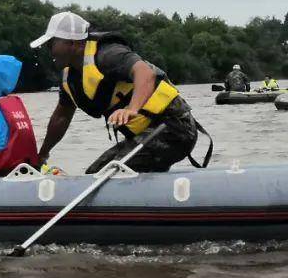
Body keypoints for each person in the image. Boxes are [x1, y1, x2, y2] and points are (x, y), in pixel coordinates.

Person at [31, 11, 211, 173]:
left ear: (73, 43)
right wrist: (42, 154)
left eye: (52, 44)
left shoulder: (108, 54)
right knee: (94, 173)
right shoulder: (69, 78)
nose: (49, 50)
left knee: (106, 175)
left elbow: (145, 73)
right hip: (145, 135)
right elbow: (61, 117)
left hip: (173, 129)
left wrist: (132, 109)